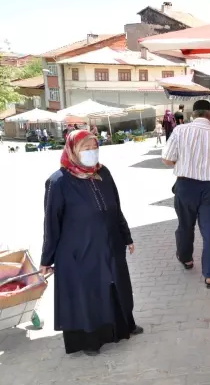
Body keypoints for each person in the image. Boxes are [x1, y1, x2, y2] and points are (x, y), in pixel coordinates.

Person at [39, 130, 142, 355]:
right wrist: (47, 258)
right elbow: (51, 224)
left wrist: (126, 236)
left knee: (117, 286)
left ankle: (125, 325)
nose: (91, 152)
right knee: (89, 294)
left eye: (94, 147)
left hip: (110, 244)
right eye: (85, 148)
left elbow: (116, 207)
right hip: (78, 251)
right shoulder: (58, 181)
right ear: (73, 150)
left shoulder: (103, 173)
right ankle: (90, 340)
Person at [162, 100, 210, 289]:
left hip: (185, 186)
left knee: (185, 226)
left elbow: (167, 159)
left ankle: (187, 259)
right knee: (209, 232)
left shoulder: (180, 131)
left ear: (194, 114)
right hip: (209, 189)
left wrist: (182, 164)